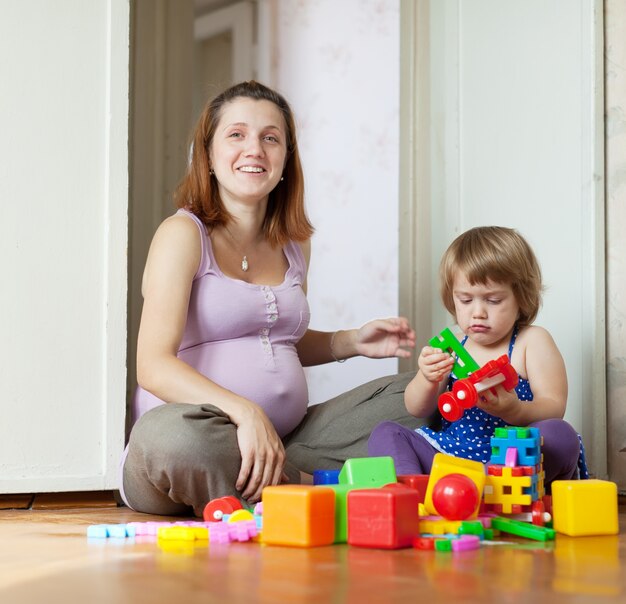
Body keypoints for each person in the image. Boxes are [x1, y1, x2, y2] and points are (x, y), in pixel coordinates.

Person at [120, 80, 421, 516]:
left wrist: (352, 341)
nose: (254, 149)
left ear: (285, 160)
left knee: (419, 392)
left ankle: (286, 484)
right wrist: (245, 413)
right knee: (173, 440)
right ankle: (308, 493)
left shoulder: (295, 244)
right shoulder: (182, 235)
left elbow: (278, 340)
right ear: (207, 156)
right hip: (196, 437)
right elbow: (152, 365)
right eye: (237, 134)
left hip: (287, 441)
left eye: (270, 138)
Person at [368, 226, 588, 490]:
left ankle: (483, 490)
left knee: (559, 435)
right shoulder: (452, 342)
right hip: (451, 458)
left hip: (512, 461)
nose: (478, 312)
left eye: (493, 300)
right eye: (465, 299)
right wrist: (427, 378)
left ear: (522, 297)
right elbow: (417, 409)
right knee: (386, 432)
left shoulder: (532, 341)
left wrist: (515, 410)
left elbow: (554, 405)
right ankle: (415, 493)